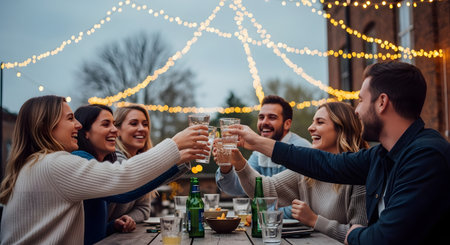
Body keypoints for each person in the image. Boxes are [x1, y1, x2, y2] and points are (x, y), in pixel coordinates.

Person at [229, 61, 450, 245]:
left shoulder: (425, 156)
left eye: (361, 100)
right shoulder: (382, 155)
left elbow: (385, 238)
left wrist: (350, 233)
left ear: (382, 102)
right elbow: (326, 165)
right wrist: (256, 143)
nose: (356, 110)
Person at [0, 95, 209, 244]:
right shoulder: (55, 164)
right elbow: (122, 179)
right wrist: (174, 144)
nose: (78, 126)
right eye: (70, 119)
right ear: (46, 126)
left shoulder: (37, 164)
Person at [228, 102, 368, 243]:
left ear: (341, 129)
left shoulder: (359, 174)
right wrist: (239, 162)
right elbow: (265, 191)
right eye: (313, 122)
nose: (310, 128)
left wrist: (314, 220)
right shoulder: (307, 171)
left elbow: (360, 235)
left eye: (320, 122)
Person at [215, 95, 311, 218]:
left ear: (287, 124)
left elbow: (304, 204)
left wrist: (262, 215)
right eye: (261, 117)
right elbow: (238, 188)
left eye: (272, 117)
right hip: (270, 227)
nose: (264, 122)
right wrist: (226, 166)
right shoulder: (258, 152)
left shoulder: (301, 149)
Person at [107, 105, 191, 234]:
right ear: (117, 129)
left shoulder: (140, 159)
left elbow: (143, 209)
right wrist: (175, 157)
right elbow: (131, 180)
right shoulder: (112, 159)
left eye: (145, 124)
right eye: (134, 123)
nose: (141, 129)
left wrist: (129, 219)